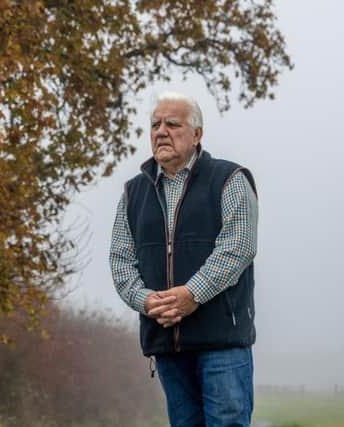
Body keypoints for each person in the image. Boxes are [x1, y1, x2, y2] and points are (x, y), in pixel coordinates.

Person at [109, 91, 259, 427]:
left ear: (197, 135)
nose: (161, 131)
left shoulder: (229, 180)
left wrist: (191, 295)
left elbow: (238, 247)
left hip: (222, 340)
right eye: (155, 124)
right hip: (166, 343)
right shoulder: (133, 192)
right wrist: (147, 302)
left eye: (172, 124)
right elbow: (121, 261)